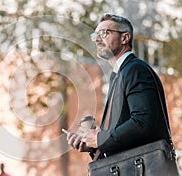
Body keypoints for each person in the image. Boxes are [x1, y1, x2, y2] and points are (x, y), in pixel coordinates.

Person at [64, 13, 175, 162]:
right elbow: (124, 135)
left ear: (125, 38)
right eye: (95, 35)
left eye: (104, 33)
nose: (97, 39)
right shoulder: (118, 75)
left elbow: (143, 122)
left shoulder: (135, 70)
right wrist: (92, 144)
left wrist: (101, 138)